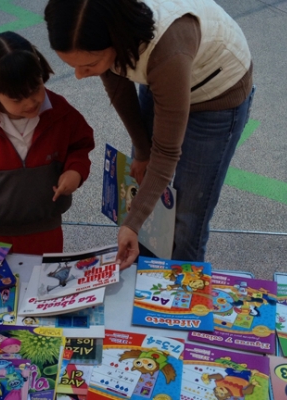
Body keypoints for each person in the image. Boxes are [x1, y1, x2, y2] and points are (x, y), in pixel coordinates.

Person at [44, 0, 255, 269]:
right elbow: (119, 89)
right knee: (145, 198)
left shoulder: (166, 52)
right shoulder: (103, 32)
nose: (79, 75)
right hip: (165, 73)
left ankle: (180, 295)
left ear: (117, 41)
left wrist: (131, 223)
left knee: (188, 217)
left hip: (217, 94)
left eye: (89, 65)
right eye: (73, 65)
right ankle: (144, 278)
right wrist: (142, 149)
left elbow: (167, 152)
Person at [0, 31, 95, 255]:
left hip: (47, 225)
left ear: (41, 74)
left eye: (35, 90)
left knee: (45, 280)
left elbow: (80, 145)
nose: (30, 102)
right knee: (4, 282)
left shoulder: (61, 113)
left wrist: (75, 171)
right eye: (16, 99)